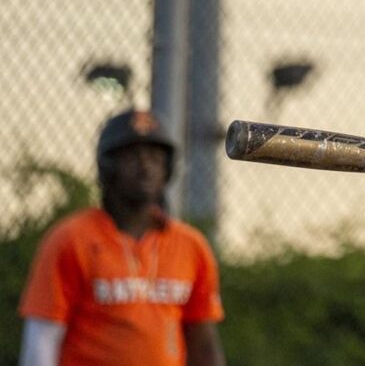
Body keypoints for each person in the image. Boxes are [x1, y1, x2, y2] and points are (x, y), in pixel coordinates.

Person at [18, 109, 226, 366]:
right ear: (108, 166)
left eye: (155, 157)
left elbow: (203, 343)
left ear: (168, 169)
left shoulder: (190, 245)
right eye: (132, 156)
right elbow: (42, 339)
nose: (145, 166)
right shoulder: (71, 239)